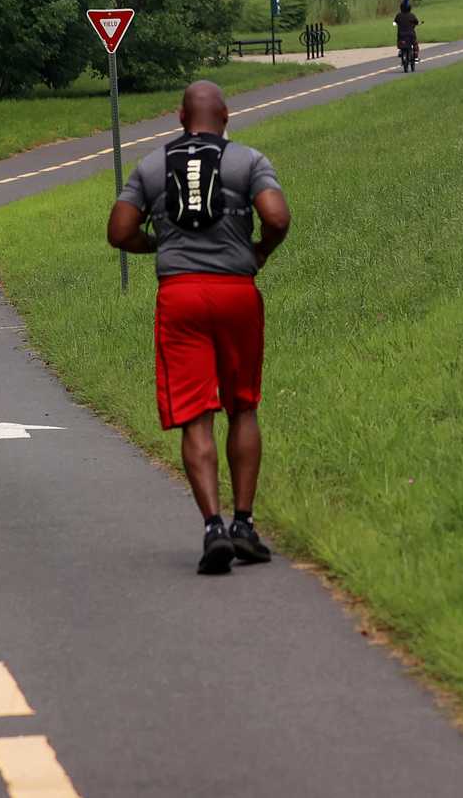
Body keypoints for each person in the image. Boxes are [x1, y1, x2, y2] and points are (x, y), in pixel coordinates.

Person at [106, 80, 291, 574]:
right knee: (243, 405)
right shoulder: (249, 161)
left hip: (181, 296)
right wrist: (259, 253)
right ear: (226, 116)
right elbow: (276, 217)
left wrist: (157, 247)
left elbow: (119, 232)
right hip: (236, 293)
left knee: (196, 414)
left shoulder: (150, 165)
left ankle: (213, 529)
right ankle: (245, 525)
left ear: (179, 117)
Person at [394, 0, 420, 67]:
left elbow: (395, 22)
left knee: (400, 41)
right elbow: (417, 22)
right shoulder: (412, 15)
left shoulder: (398, 15)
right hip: (411, 34)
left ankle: (401, 51)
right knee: (415, 44)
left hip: (401, 35)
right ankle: (416, 57)